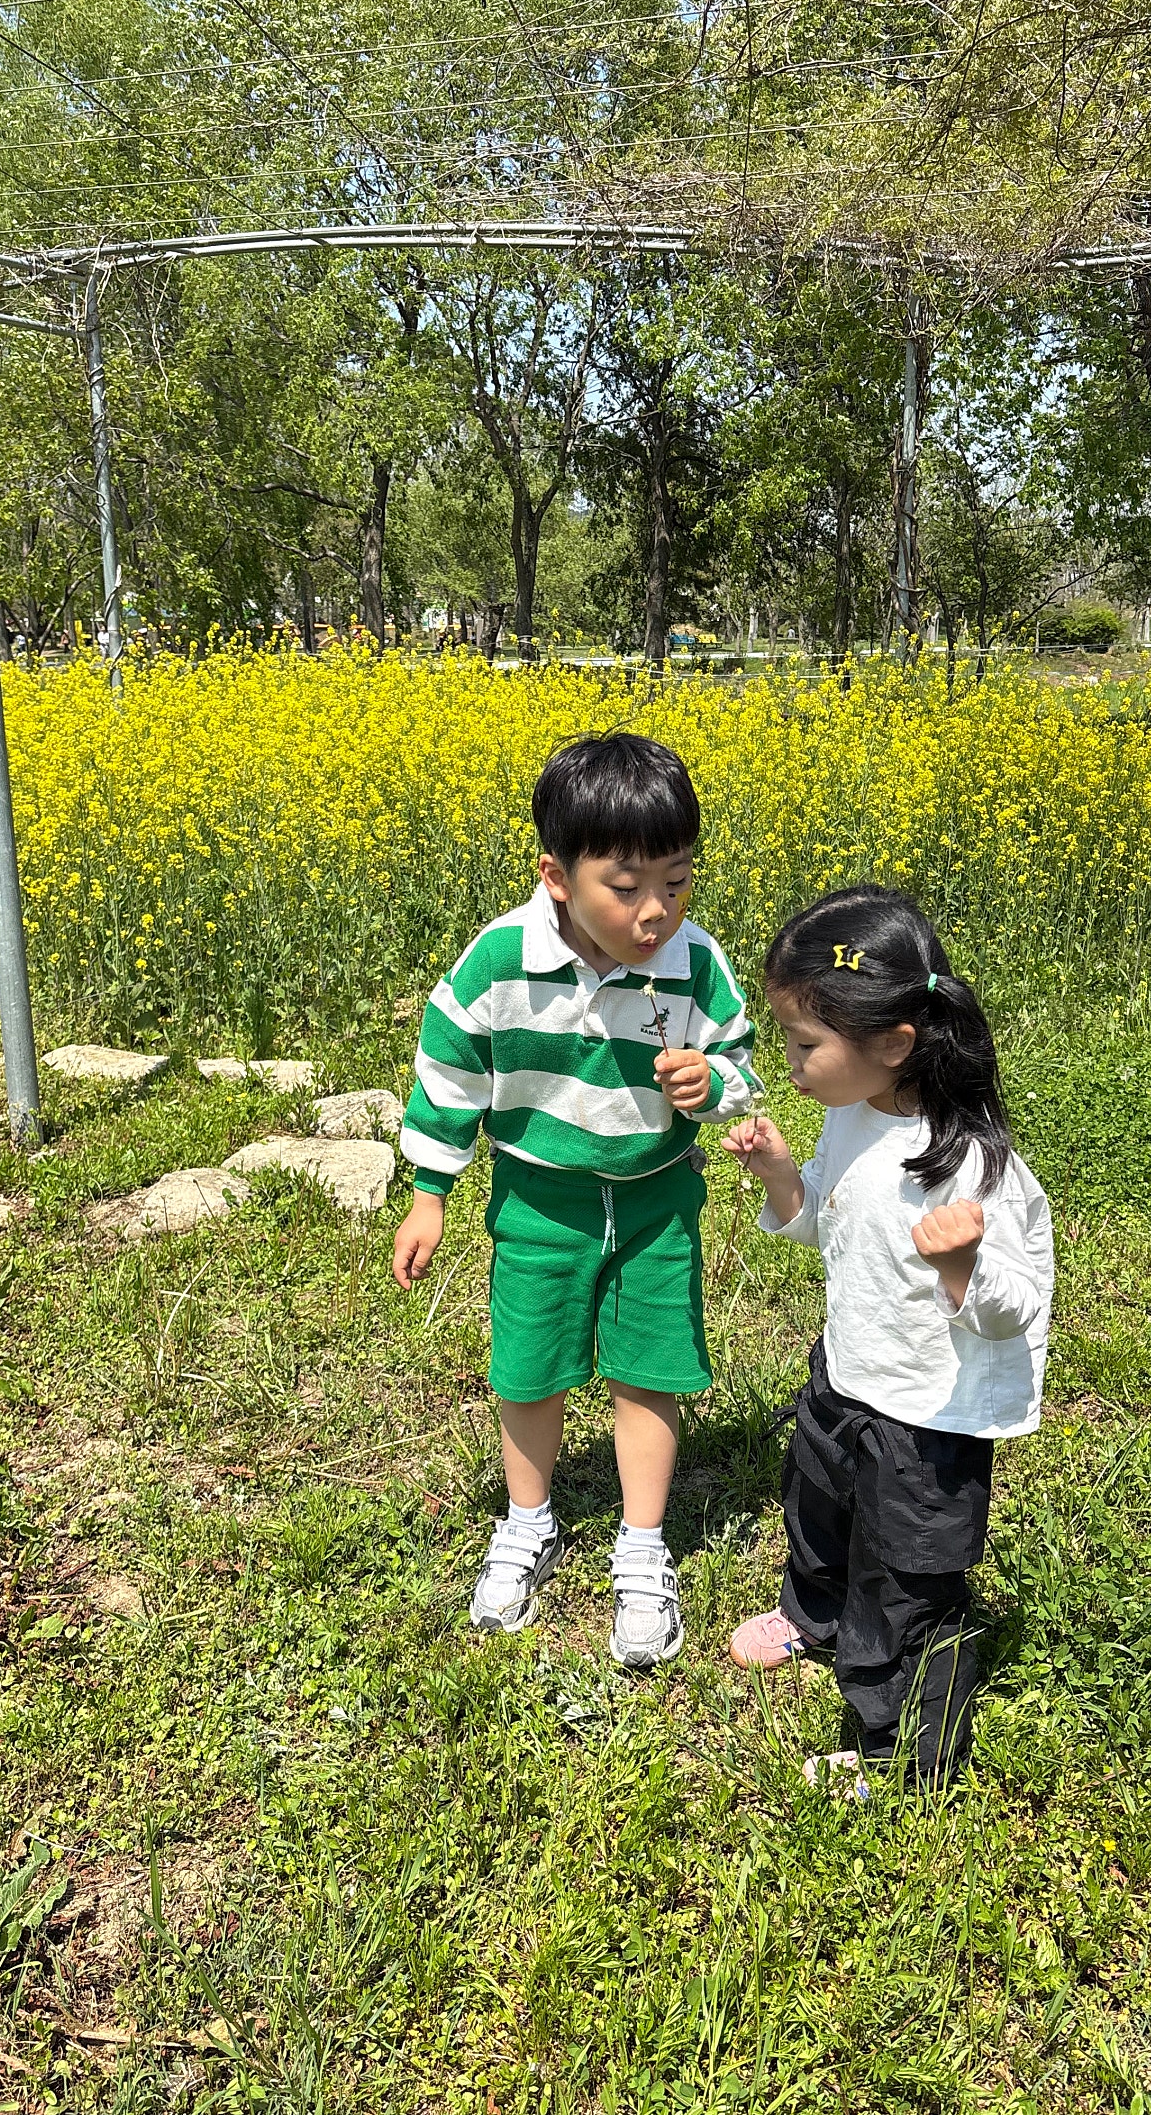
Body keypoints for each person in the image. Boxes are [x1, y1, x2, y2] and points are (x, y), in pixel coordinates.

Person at [393, 734, 761, 1667]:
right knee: (529, 1365)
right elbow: (448, 1074)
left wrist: (712, 1085)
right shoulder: (497, 962)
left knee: (649, 1367)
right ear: (556, 876)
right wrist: (430, 1191)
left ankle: (642, 1546)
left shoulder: (693, 961)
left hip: (657, 1200)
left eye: (677, 883)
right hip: (539, 1200)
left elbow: (741, 1057)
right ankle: (528, 1521)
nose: (656, 911)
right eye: (628, 887)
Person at [723, 887, 1052, 1792]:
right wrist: (784, 1173)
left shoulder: (973, 1163)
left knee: (909, 1582)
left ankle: (903, 1755)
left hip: (929, 1415)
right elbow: (828, 1220)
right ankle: (815, 1616)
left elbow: (1017, 1303)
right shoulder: (855, 1108)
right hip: (850, 1368)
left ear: (895, 1044)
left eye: (804, 1043)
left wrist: (962, 1266)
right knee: (820, 1507)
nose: (788, 1061)